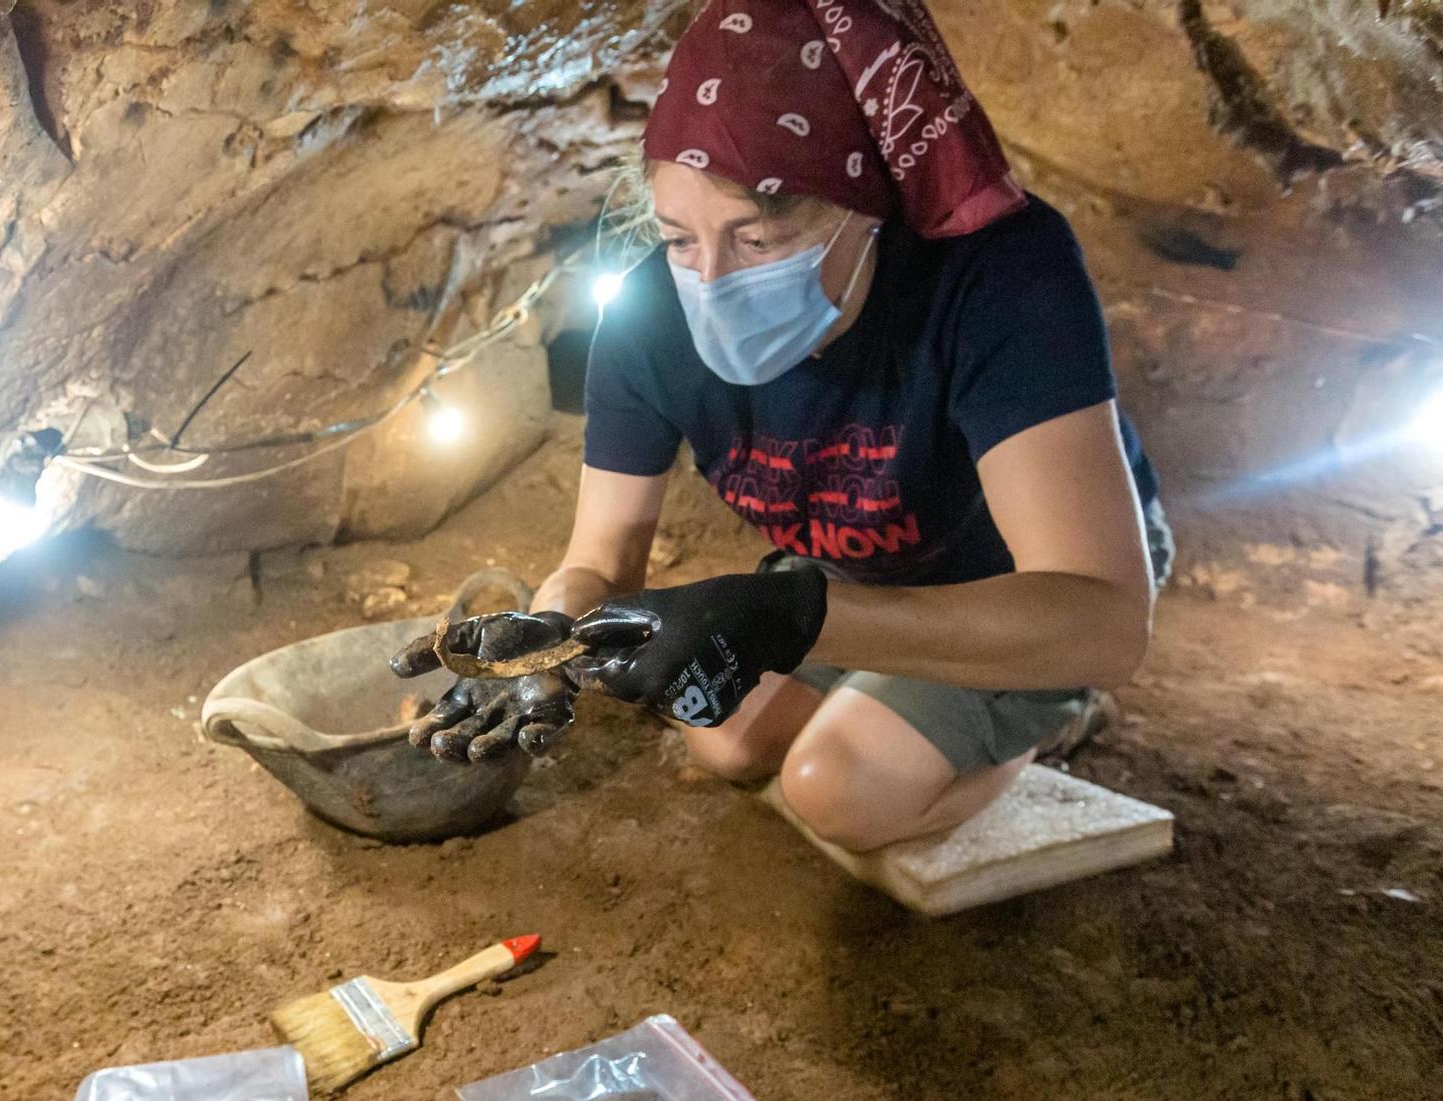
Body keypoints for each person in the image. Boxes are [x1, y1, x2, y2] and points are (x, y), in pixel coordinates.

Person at [390, 0, 1173, 854]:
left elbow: (1102, 619)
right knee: (721, 736)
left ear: (863, 205)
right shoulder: (651, 315)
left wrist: (799, 616)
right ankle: (891, 681)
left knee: (833, 790)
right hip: (853, 564)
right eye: (681, 240)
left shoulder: (1000, 277)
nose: (713, 282)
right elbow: (600, 561)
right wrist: (546, 643)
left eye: (758, 240)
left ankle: (1049, 711)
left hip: (1019, 582)